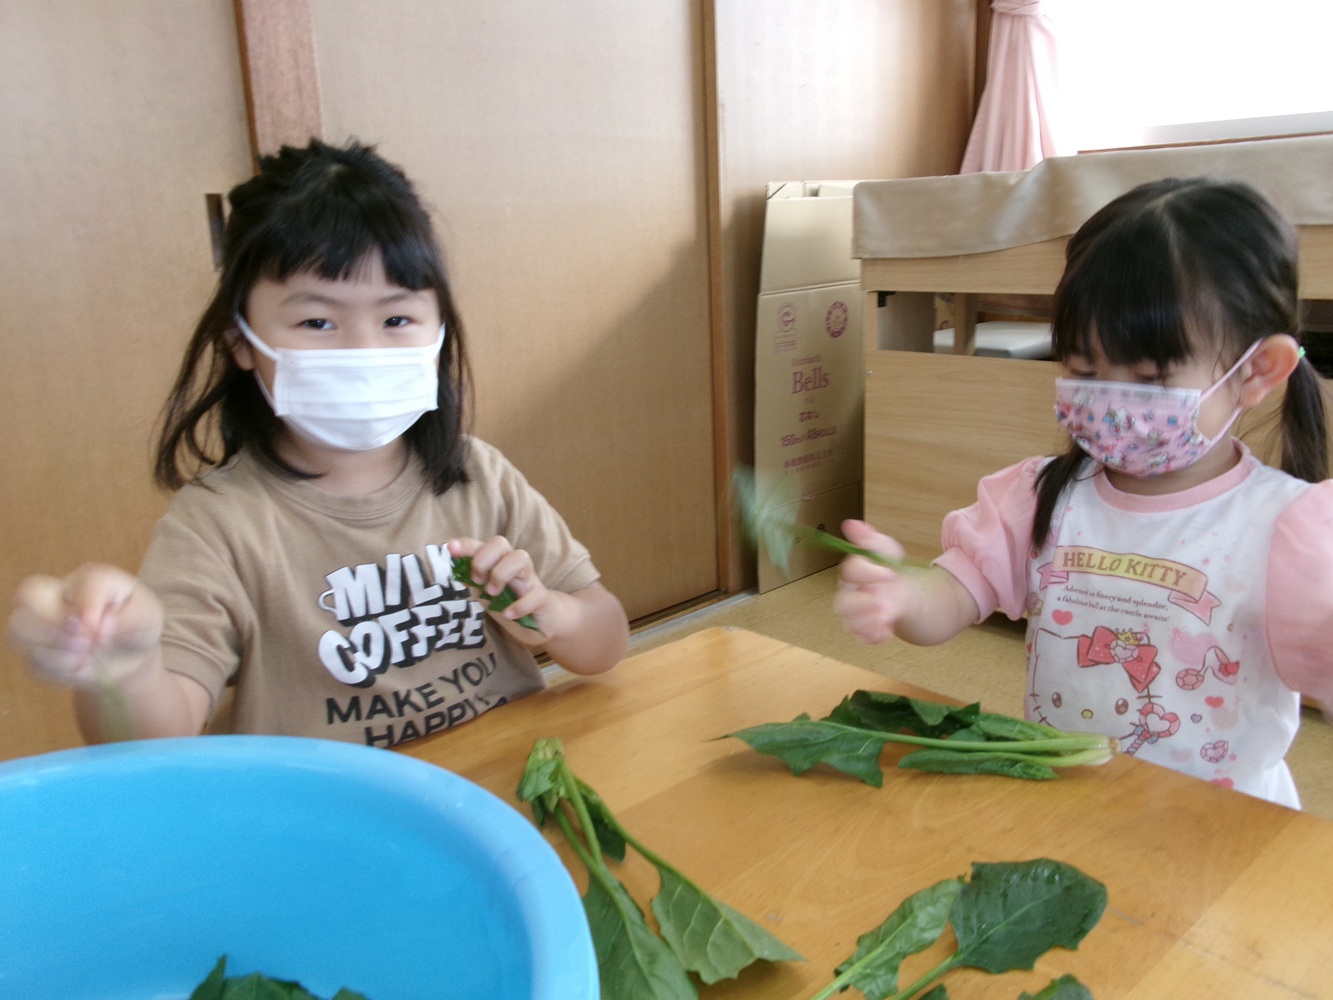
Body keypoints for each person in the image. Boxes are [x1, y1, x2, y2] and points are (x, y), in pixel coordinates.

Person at [9, 138, 629, 749]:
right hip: (330, 804)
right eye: (317, 321)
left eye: (396, 319)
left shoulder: (478, 474)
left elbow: (605, 643)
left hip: (493, 783)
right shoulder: (217, 524)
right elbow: (154, 738)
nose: (363, 349)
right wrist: (123, 672)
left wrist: (553, 616)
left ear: (439, 330)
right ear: (241, 341)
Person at [835, 176, 1333, 807]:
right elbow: (950, 598)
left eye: (1151, 378)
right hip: (1070, 800)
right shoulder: (1041, 496)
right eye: (1084, 369)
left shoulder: (1290, 527)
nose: (1112, 400)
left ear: (1257, 370)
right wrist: (902, 593)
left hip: (1223, 821)